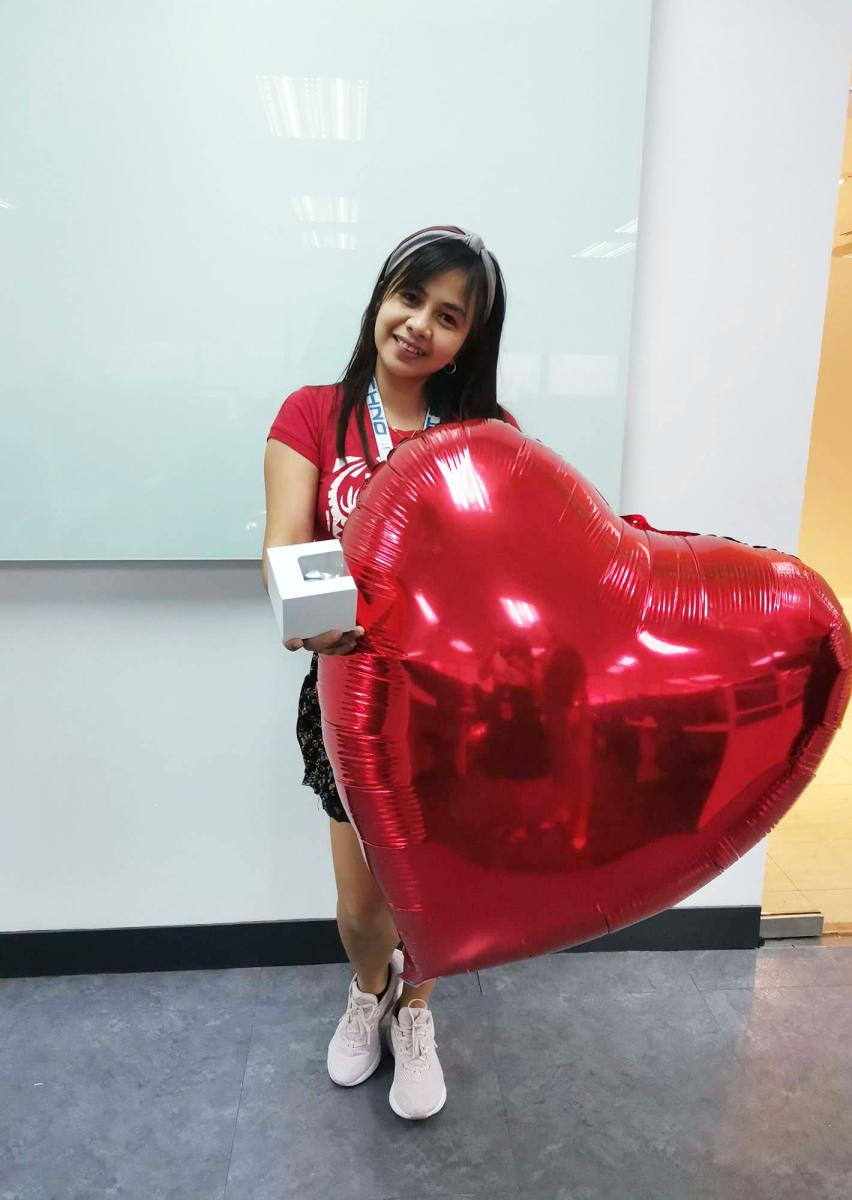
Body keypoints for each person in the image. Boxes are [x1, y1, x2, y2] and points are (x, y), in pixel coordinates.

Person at [261, 225, 519, 1120]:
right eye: (410, 298)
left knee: (432, 888)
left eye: (449, 316)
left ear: (468, 340)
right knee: (363, 905)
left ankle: (416, 1010)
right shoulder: (312, 414)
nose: (420, 326)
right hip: (348, 699)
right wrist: (309, 619)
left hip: (451, 703)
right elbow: (284, 549)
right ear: (381, 297)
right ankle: (369, 988)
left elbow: (506, 575)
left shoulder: (488, 435)